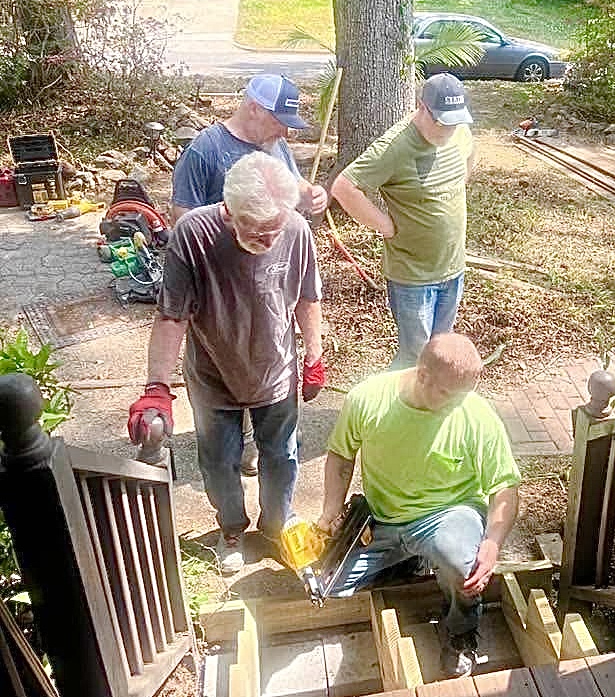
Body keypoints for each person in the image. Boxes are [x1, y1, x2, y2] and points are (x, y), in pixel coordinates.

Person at [128, 152, 325, 573]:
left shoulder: (295, 230)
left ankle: (277, 525)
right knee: (219, 462)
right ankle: (231, 529)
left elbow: (308, 297)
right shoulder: (192, 234)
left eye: (276, 230)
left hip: (276, 372)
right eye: (257, 231)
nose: (270, 241)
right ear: (230, 211)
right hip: (213, 375)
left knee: (282, 455)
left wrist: (314, 354)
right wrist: (156, 389)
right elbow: (171, 315)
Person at [316, 333, 519, 678]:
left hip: (447, 515)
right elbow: (340, 455)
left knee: (462, 566)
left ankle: (460, 632)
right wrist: (330, 510)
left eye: (465, 394)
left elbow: (506, 488)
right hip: (382, 518)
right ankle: (410, 560)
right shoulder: (367, 399)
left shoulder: (476, 416)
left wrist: (492, 543)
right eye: (450, 395)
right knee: (328, 589)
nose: (459, 403)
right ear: (423, 375)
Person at [172, 72, 328, 475]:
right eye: (280, 121)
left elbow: (289, 194)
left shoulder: (274, 146)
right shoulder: (206, 151)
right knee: (225, 368)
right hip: (222, 297)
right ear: (253, 107)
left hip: (271, 288)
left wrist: (309, 194)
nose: (285, 133)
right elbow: (182, 217)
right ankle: (234, 443)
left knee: (266, 364)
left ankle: (261, 443)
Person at [330, 73, 475, 370]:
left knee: (440, 354)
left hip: (453, 268)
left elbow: (471, 155)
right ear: (422, 107)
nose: (449, 129)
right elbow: (344, 187)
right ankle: (398, 411)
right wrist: (385, 226)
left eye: (454, 121)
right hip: (413, 277)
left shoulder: (459, 131)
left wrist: (458, 184)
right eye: (442, 121)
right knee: (414, 357)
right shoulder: (395, 146)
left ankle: (429, 410)